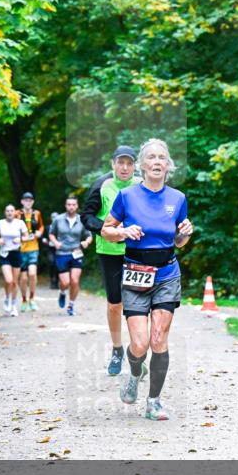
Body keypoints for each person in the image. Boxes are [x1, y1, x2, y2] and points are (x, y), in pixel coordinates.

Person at [100, 139, 193, 421]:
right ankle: (134, 372)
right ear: (142, 165)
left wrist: (185, 233)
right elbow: (106, 230)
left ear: (168, 165)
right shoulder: (127, 196)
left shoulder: (177, 198)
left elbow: (178, 241)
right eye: (151, 157)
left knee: (158, 339)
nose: (156, 162)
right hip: (136, 273)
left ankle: (154, 402)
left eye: (161, 157)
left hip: (167, 274)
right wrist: (123, 232)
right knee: (139, 344)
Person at [81, 145, 139, 375]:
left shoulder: (142, 185)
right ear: (113, 164)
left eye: (129, 163)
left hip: (137, 251)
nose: (124, 168)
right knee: (115, 303)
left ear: (135, 166)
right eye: (120, 163)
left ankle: (137, 351)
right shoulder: (101, 184)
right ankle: (117, 349)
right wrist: (105, 230)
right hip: (109, 252)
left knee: (137, 303)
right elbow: (86, 216)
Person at [48, 197, 92, 317]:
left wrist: (87, 242)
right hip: (62, 253)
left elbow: (89, 235)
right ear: (65, 206)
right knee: (65, 282)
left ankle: (71, 305)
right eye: (69, 204)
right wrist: (55, 242)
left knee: (75, 280)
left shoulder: (81, 219)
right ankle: (62, 291)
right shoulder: (58, 219)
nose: (71, 207)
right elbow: (51, 234)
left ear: (77, 206)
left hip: (76, 253)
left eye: (73, 204)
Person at [0, 204, 28, 317]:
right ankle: (7, 297)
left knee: (14, 282)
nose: (9, 213)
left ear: (15, 212)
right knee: (8, 280)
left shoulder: (20, 223)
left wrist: (20, 239)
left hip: (16, 253)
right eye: (7, 211)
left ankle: (13, 306)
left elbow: (27, 237)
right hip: (4, 254)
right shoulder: (0, 223)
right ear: (5, 212)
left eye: (12, 211)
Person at [15, 192, 44, 312]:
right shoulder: (17, 214)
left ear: (33, 202)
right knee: (23, 278)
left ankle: (32, 298)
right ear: (22, 201)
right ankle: (23, 299)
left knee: (32, 273)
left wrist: (40, 233)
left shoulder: (37, 213)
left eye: (30, 200)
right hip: (21, 249)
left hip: (33, 248)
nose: (28, 202)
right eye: (25, 200)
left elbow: (41, 226)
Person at [44, 211, 60, 289]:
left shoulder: (61, 227)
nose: (55, 219)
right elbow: (43, 238)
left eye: (56, 217)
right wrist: (47, 243)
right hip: (50, 249)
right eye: (53, 217)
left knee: (58, 265)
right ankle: (51, 280)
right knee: (51, 262)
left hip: (59, 249)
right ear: (51, 218)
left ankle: (56, 282)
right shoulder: (47, 228)